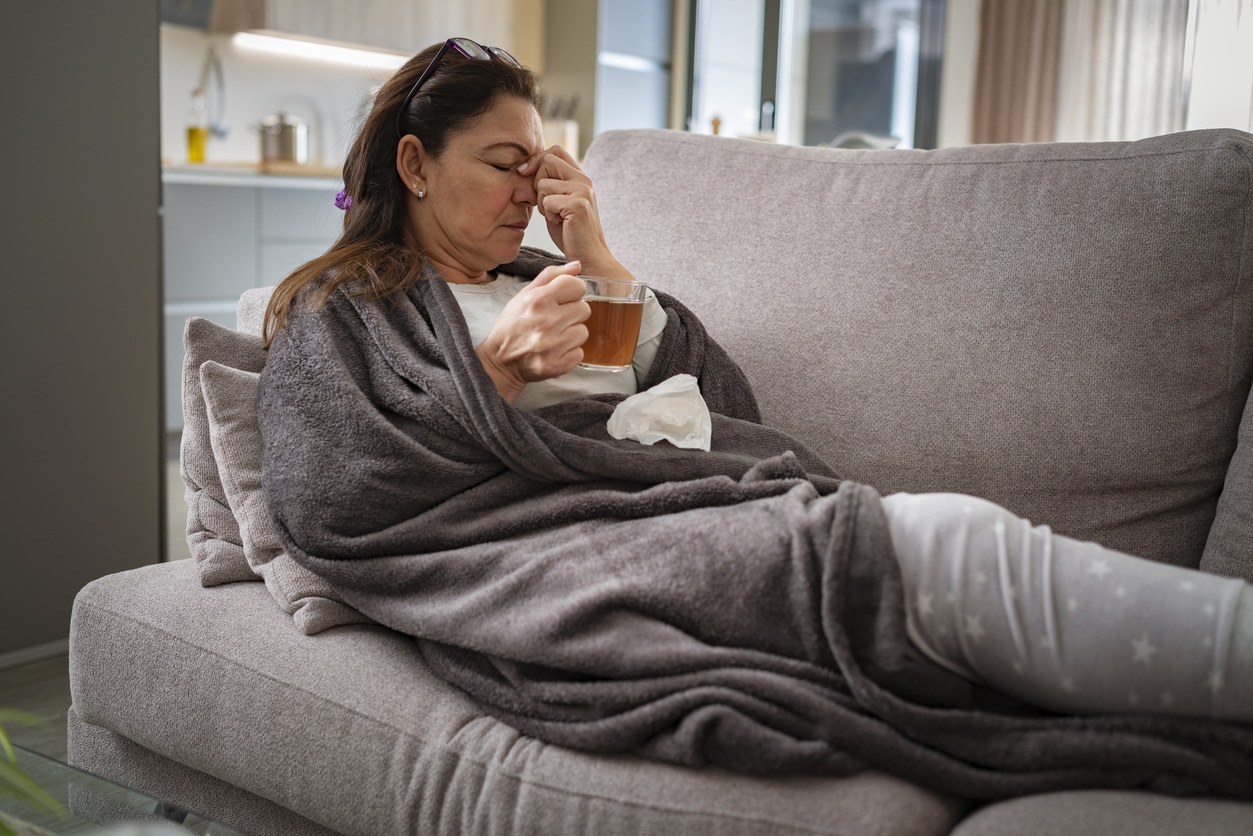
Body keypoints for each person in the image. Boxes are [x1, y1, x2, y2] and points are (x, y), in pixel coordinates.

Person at [259, 37, 1253, 781]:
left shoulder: (543, 274)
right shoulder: (349, 307)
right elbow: (334, 496)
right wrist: (499, 369)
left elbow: (719, 411)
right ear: (416, 165)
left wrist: (598, 259)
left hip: (694, 509)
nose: (527, 188)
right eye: (499, 162)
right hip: (574, 549)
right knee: (936, 549)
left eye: (537, 162)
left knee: (932, 545)